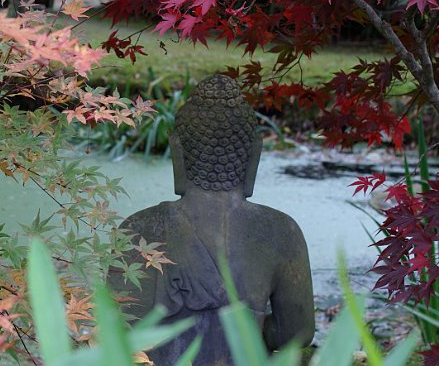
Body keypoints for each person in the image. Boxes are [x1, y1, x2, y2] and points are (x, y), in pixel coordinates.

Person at [110, 75, 315, 365]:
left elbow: (118, 332)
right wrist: (246, 329)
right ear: (254, 155)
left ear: (177, 153)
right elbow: (297, 332)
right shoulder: (282, 231)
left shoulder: (139, 229)